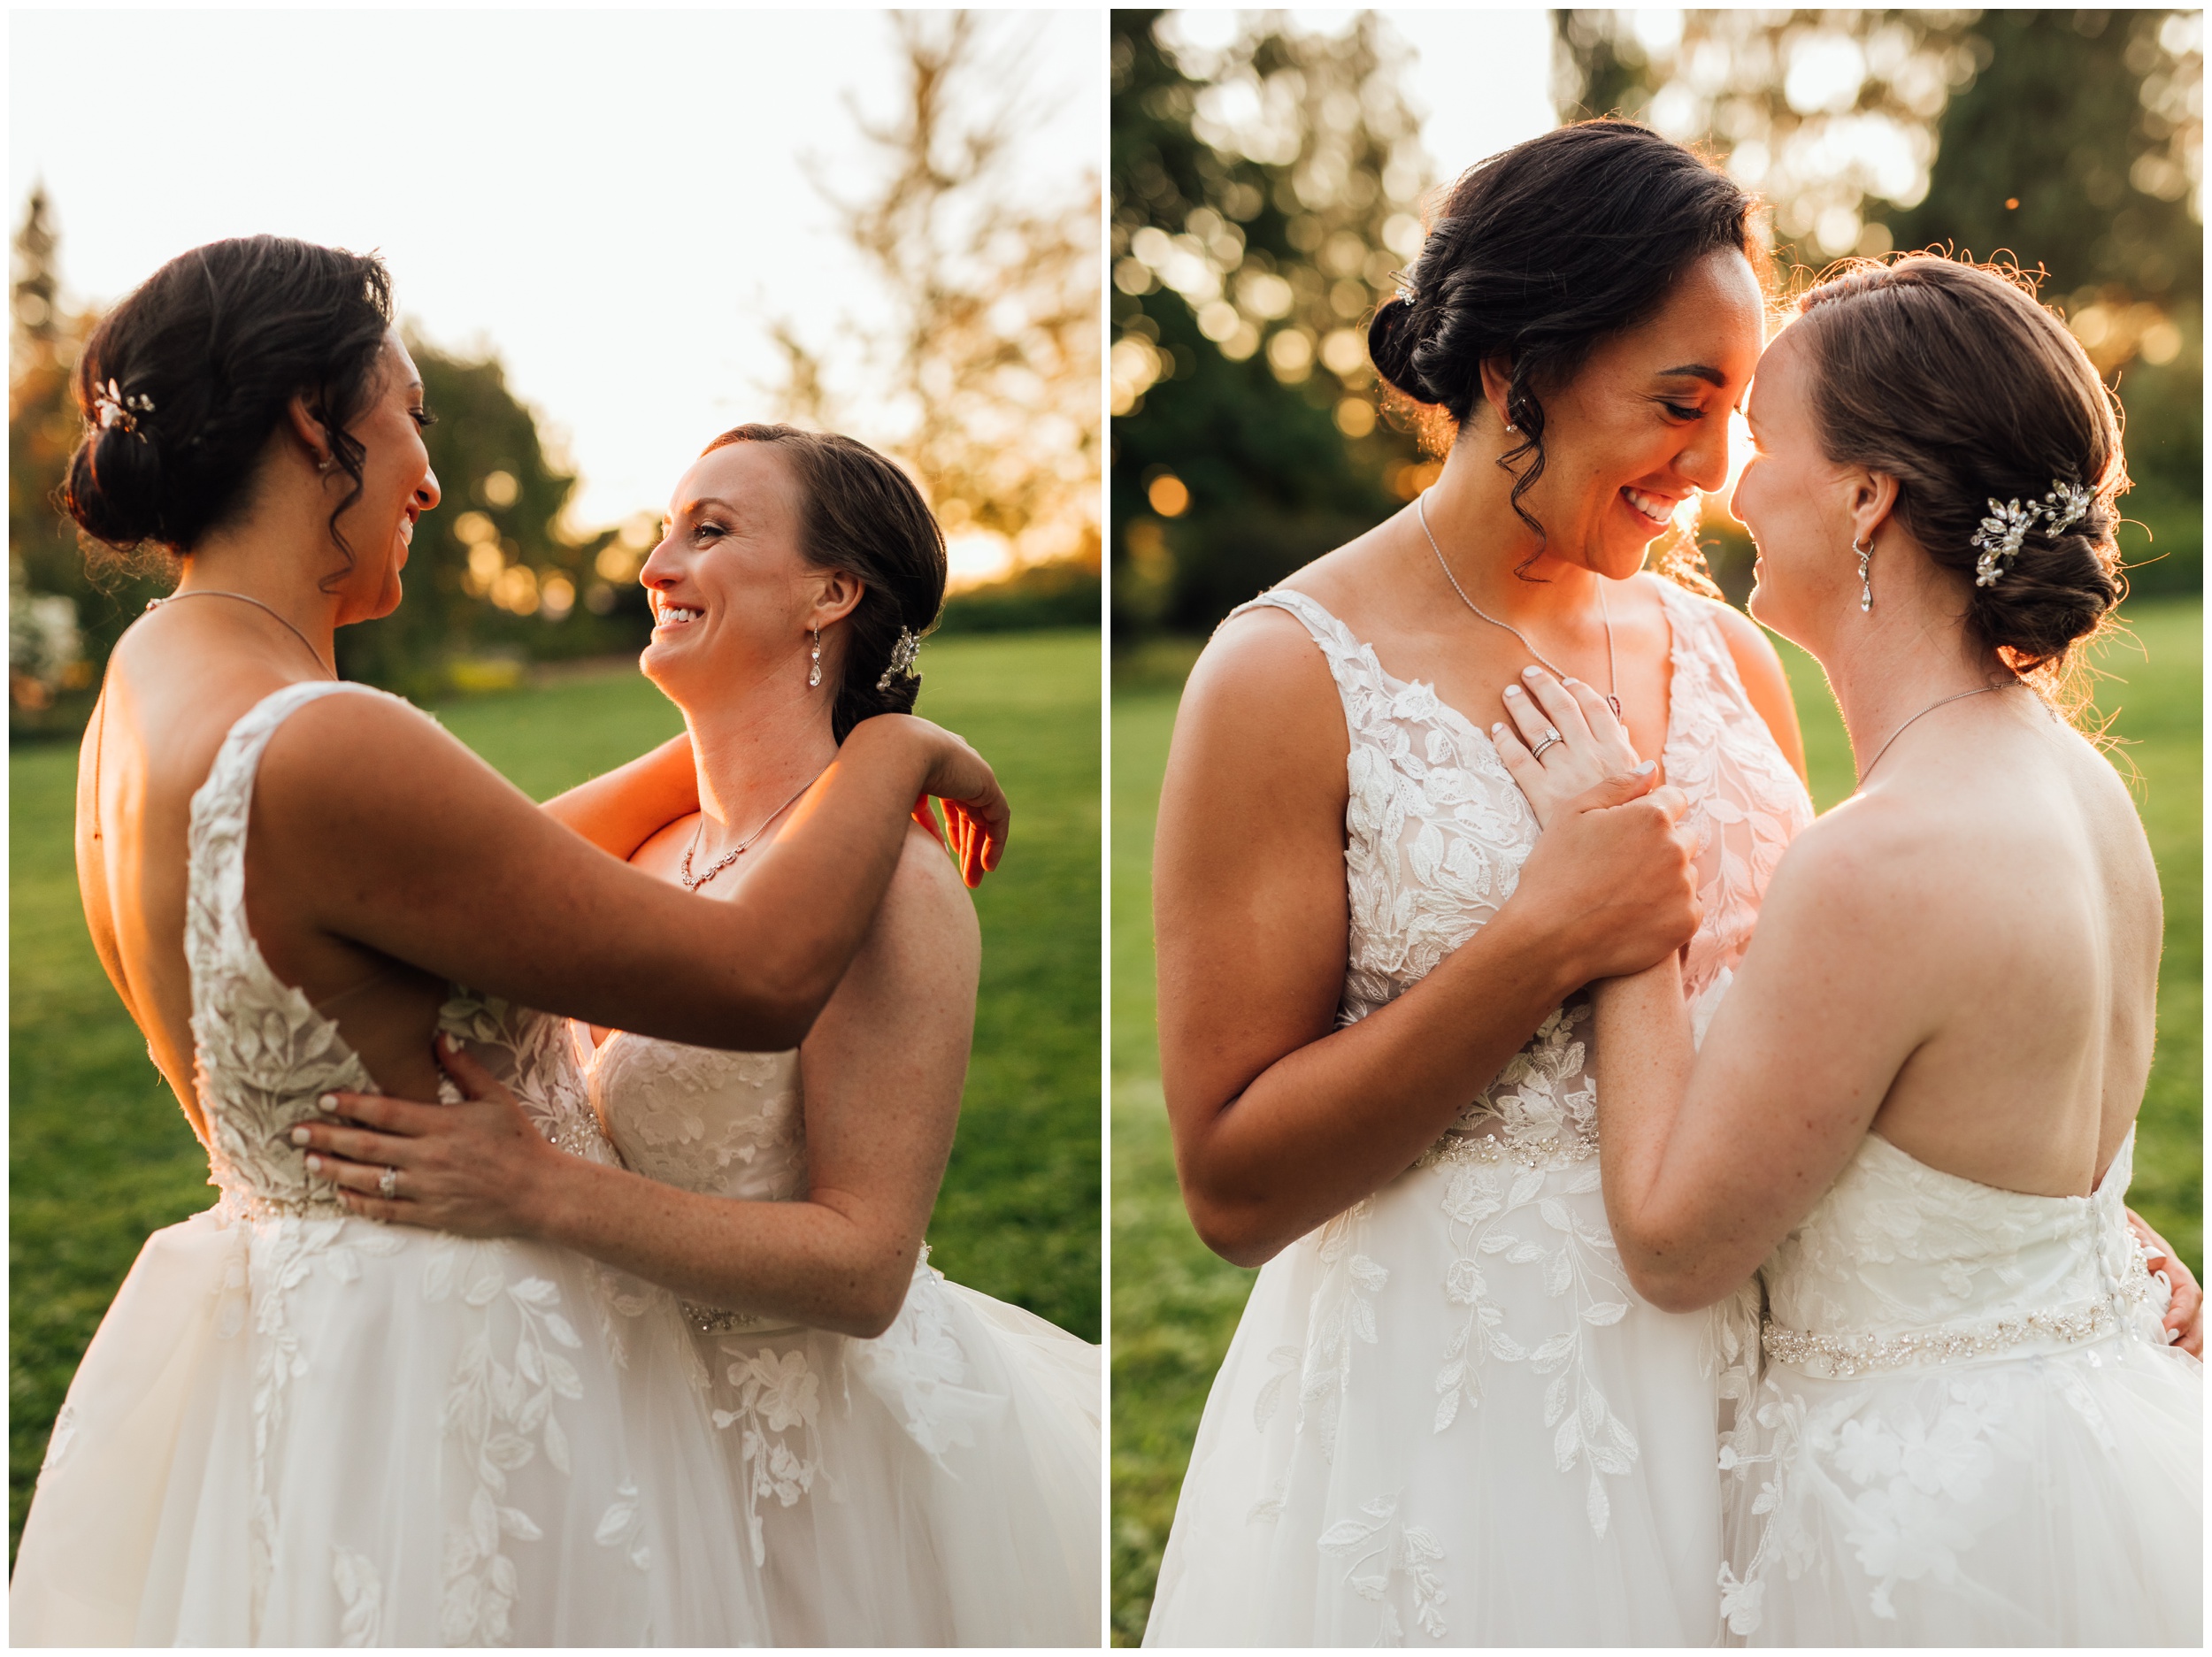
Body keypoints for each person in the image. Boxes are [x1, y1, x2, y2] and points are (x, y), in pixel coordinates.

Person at [11, 237, 1007, 1647]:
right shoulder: (331, 739)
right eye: (406, 414)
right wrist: (892, 747)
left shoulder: (144, 690)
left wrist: (787, 763)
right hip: (470, 1377)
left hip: (301, 1341)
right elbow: (758, 975)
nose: (425, 474)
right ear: (315, 424)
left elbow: (503, 856)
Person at [1141, 120, 1812, 1646]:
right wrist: (1542, 941)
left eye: (1741, 413)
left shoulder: (1729, 658)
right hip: (1452, 1436)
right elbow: (1233, 1182)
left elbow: (1820, 1025)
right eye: (1680, 403)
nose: (1716, 471)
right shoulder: (1286, 674)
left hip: (1754, 1389)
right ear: (1519, 368)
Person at [289, 424, 1102, 1646]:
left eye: (709, 531)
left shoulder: (897, 892)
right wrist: (883, 743)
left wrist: (535, 1189)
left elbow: (864, 1267)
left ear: (832, 593)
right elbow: (443, 893)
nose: (656, 562)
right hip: (627, 1444)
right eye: (666, 528)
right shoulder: (656, 846)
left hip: (816, 1480)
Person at [1517, 254, 2200, 1645]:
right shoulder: (2083, 786)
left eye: (1767, 442)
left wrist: (1626, 887)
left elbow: (1669, 1240)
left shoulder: (1877, 859)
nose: (1729, 483)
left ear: (1866, 494)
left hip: (1923, 1532)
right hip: (2080, 1442)